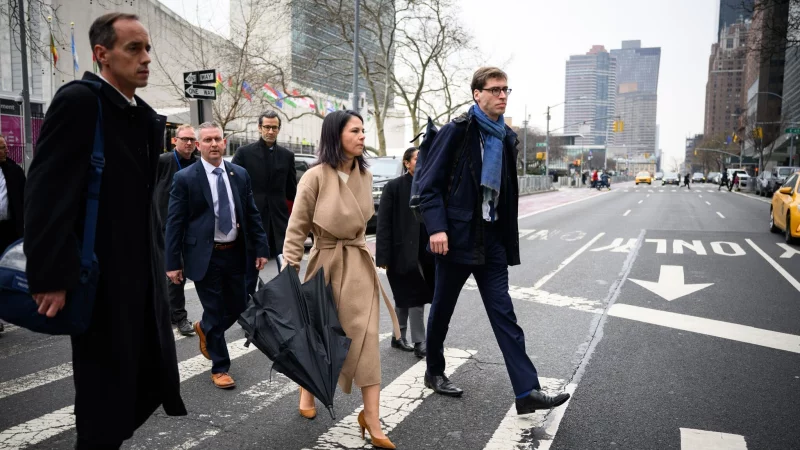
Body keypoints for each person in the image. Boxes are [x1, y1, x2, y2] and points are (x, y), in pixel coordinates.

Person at [23, 13, 186, 448]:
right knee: (102, 396)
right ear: (102, 54)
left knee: (132, 385)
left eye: (147, 48)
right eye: (134, 49)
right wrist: (49, 276)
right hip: (96, 277)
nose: (147, 58)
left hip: (138, 277)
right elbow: (45, 193)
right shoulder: (81, 102)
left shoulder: (143, 116)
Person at [414, 67, 570, 415]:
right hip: (455, 239)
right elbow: (428, 185)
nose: (502, 96)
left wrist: (504, 234)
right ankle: (434, 371)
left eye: (506, 90)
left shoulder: (506, 137)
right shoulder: (457, 132)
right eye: (495, 90)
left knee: (504, 314)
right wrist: (437, 228)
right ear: (477, 94)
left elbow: (507, 193)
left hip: (491, 240)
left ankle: (527, 391)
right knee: (442, 310)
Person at [282, 110, 401, 449]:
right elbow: (297, 226)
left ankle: (372, 417)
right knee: (320, 334)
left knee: (364, 339)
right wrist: (290, 268)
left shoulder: (365, 174)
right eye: (355, 131)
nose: (363, 136)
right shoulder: (316, 176)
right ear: (336, 136)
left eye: (364, 130)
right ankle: (307, 391)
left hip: (360, 265)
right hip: (326, 263)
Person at [165, 122, 269, 389]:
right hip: (205, 256)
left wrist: (260, 248)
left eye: (217, 139)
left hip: (236, 253)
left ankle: (205, 328)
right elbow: (174, 223)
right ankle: (220, 367)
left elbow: (251, 215)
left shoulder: (240, 174)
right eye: (207, 140)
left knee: (236, 306)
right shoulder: (186, 178)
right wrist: (172, 263)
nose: (213, 144)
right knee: (214, 307)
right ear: (198, 146)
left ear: (224, 143)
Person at [376, 147, 433, 359]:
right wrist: (383, 256)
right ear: (406, 163)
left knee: (405, 295)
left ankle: (397, 336)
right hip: (400, 252)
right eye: (417, 158)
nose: (421, 162)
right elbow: (383, 224)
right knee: (415, 296)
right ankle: (420, 342)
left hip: (426, 252)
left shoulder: (429, 185)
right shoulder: (393, 187)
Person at [231, 111, 297, 295]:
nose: (270, 131)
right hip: (253, 219)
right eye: (266, 127)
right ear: (259, 128)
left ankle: (290, 308)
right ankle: (246, 311)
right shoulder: (244, 153)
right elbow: (233, 188)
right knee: (250, 270)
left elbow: (293, 192)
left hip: (279, 221)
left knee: (287, 268)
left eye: (274, 127)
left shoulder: (287, 156)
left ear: (278, 129)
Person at [155, 124, 199, 336]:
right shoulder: (163, 161)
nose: (189, 143)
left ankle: (173, 314)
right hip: (165, 226)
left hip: (191, 227)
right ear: (175, 140)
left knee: (179, 273)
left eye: (192, 139)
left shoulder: (199, 164)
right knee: (174, 272)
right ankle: (179, 316)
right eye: (185, 139)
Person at [0, 133, 25, 253]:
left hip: (9, 230)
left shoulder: (14, 171)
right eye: (3, 148)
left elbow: (24, 198)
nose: (7, 151)